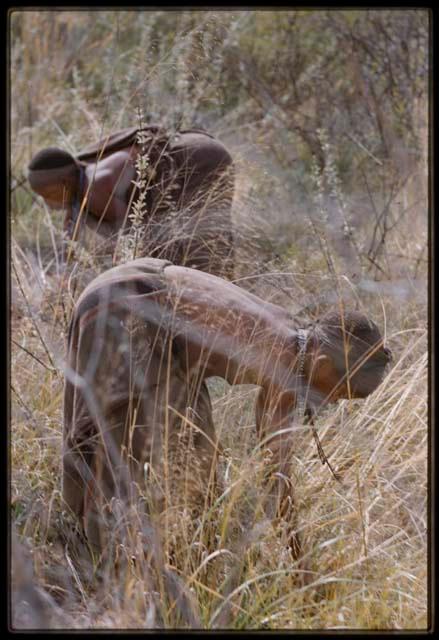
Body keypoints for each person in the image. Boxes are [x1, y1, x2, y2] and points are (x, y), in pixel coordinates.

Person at [62, 257, 392, 558]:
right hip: (126, 309)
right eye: (339, 392)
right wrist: (299, 563)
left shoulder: (296, 341)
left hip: (149, 312)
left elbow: (272, 468)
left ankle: (182, 558)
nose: (332, 401)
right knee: (121, 447)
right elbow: (276, 476)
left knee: (197, 460)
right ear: (321, 365)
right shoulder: (283, 361)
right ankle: (104, 569)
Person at [27, 126, 235, 277]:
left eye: (47, 194)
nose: (46, 203)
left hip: (199, 161)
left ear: (64, 182)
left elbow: (136, 237)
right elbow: (70, 237)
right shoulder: (81, 169)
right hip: (197, 145)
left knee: (203, 250)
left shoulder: (93, 190)